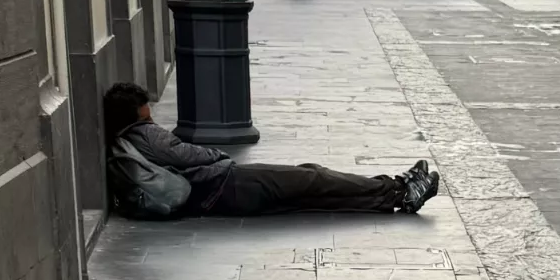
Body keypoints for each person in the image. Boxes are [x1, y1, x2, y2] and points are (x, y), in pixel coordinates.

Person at [103, 83, 440, 217]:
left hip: (218, 197)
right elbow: (185, 154)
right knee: (314, 178)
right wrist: (218, 156)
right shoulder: (146, 134)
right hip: (228, 184)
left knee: (313, 196)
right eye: (146, 110)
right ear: (136, 114)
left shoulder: (123, 141)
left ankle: (398, 197)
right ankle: (398, 187)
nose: (151, 114)